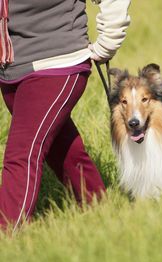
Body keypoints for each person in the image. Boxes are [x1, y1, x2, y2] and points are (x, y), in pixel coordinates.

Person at [0, 0, 131, 231]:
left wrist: (107, 43)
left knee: (22, 154)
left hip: (57, 62)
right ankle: (100, 210)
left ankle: (7, 232)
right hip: (11, 68)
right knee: (63, 150)